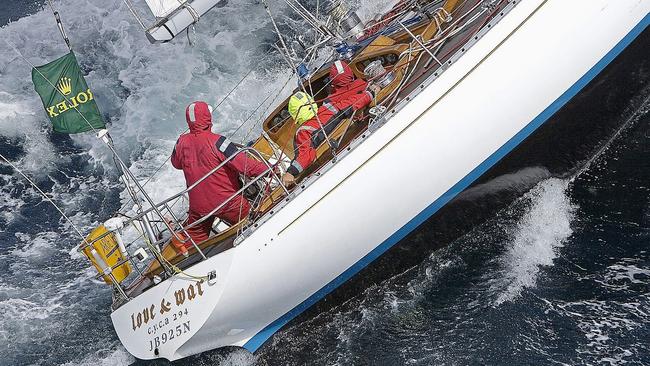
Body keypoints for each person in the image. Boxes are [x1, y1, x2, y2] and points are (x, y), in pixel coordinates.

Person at [171, 101, 269, 247]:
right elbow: (245, 166)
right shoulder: (219, 142)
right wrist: (270, 169)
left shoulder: (181, 142)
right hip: (228, 204)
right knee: (256, 221)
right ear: (207, 118)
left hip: (198, 209)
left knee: (194, 244)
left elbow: (176, 163)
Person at [282, 61, 380, 186]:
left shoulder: (303, 131)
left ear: (295, 115)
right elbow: (349, 105)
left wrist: (290, 173)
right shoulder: (329, 107)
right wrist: (370, 94)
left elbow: (306, 156)